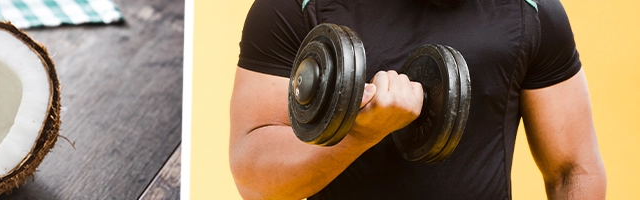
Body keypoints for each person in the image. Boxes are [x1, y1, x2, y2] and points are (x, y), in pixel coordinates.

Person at [228, 0, 607, 199]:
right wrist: (359, 135)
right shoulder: (293, 6)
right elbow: (255, 181)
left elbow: (572, 169)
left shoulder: (530, 10)